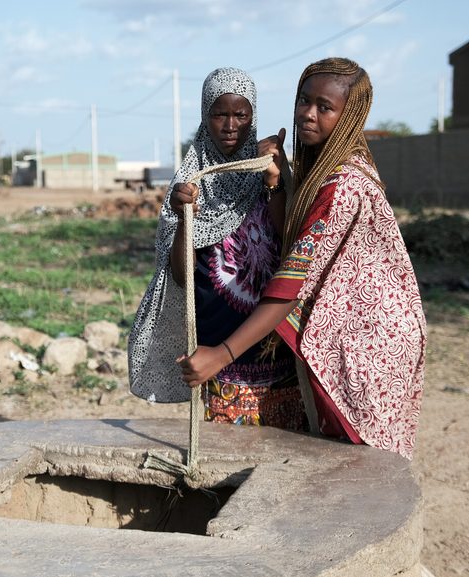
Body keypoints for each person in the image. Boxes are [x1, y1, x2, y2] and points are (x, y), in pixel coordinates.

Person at [178, 58, 427, 459]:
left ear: (349, 117)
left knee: (359, 466)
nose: (308, 114)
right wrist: (276, 183)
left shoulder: (342, 185)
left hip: (368, 347)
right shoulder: (321, 171)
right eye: (303, 101)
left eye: (324, 107)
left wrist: (221, 354)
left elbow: (291, 282)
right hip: (353, 335)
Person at [128, 67, 305, 431]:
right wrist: (183, 219)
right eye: (219, 114)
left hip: (276, 348)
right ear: (204, 116)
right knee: (226, 459)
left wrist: (274, 183)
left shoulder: (271, 174)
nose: (229, 125)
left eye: (240, 114)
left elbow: (291, 248)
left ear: (252, 116)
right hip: (221, 357)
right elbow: (180, 275)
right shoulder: (190, 185)